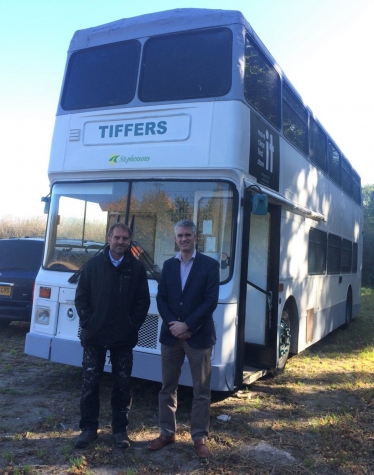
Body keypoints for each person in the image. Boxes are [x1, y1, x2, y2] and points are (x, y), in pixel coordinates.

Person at [147, 219, 219, 459]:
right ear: (175, 238)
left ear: (195, 237)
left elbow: (210, 301)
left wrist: (188, 325)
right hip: (171, 336)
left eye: (188, 235)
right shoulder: (168, 266)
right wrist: (175, 326)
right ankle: (167, 432)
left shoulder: (210, 265)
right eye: (180, 235)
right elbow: (162, 299)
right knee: (167, 387)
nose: (184, 239)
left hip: (198, 336)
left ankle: (199, 437)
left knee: (201, 390)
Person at [74, 223, 150, 449]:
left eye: (125, 239)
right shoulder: (92, 266)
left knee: (122, 385)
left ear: (130, 241)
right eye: (117, 237)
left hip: (123, 339)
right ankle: (88, 429)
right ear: (108, 238)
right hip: (94, 337)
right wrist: (89, 322)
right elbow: (81, 298)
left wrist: (131, 326)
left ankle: (120, 430)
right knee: (90, 385)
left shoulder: (136, 269)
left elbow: (142, 303)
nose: (120, 242)